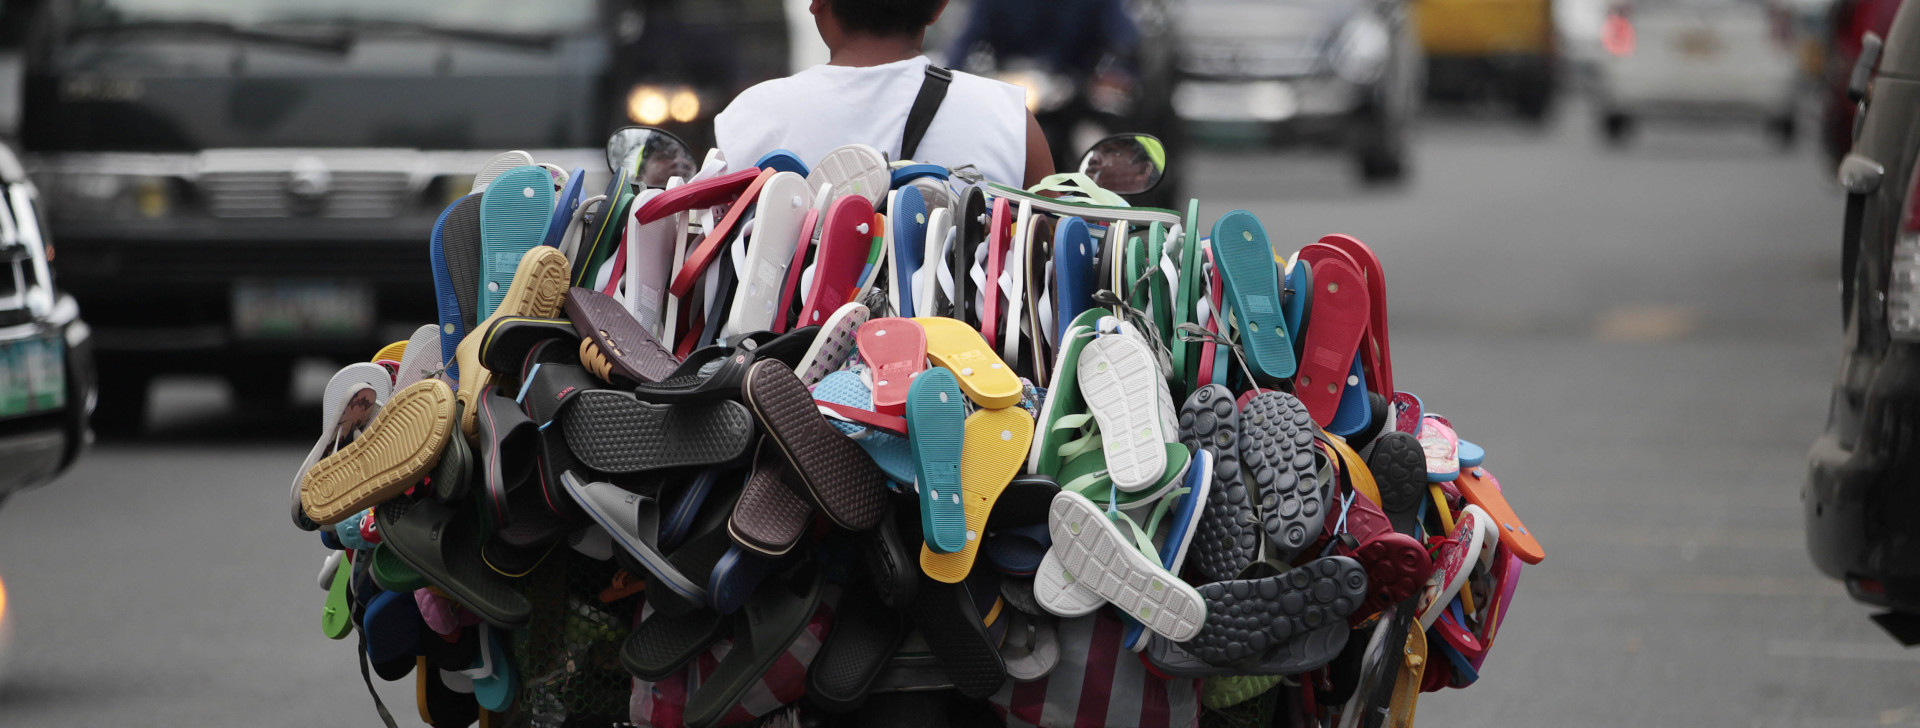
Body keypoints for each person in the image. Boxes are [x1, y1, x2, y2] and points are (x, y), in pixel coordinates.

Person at [713, 0, 1052, 188]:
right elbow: (1054, 271)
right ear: (938, 8)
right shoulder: (1008, 117)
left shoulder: (749, 116)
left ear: (817, 3)